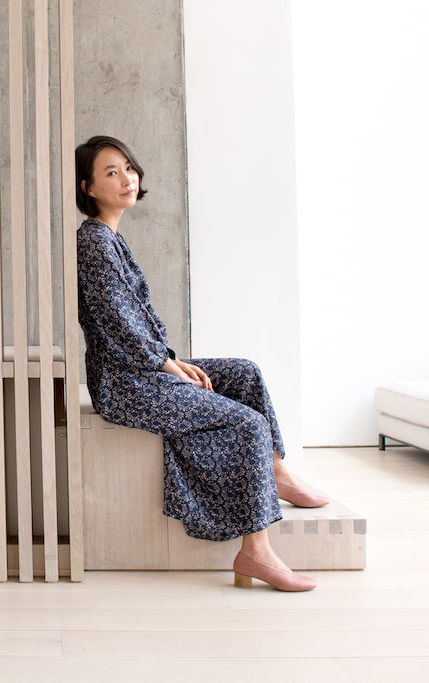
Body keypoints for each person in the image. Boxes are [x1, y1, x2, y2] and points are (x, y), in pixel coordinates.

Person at [75, 135, 328, 592]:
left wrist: (169, 359)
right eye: (111, 172)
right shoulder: (94, 242)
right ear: (88, 187)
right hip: (125, 384)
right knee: (247, 423)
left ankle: (275, 471)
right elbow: (117, 323)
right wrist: (168, 366)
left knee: (244, 373)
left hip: (146, 368)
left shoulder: (111, 238)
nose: (127, 178)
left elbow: (138, 321)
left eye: (129, 167)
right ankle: (257, 553)